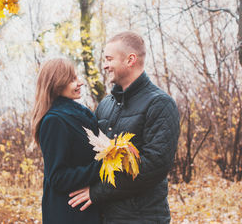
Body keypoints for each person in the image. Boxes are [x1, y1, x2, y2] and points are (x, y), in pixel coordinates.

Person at [68, 31, 180, 223]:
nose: (104, 65)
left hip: (142, 217)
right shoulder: (106, 104)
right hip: (105, 216)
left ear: (130, 60)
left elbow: (154, 166)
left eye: (109, 59)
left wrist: (97, 192)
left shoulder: (160, 104)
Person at [31, 58, 102, 224]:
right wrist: (103, 167)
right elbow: (58, 177)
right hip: (68, 213)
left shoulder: (80, 114)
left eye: (77, 78)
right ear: (56, 83)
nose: (80, 83)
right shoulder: (55, 121)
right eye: (72, 79)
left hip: (86, 210)